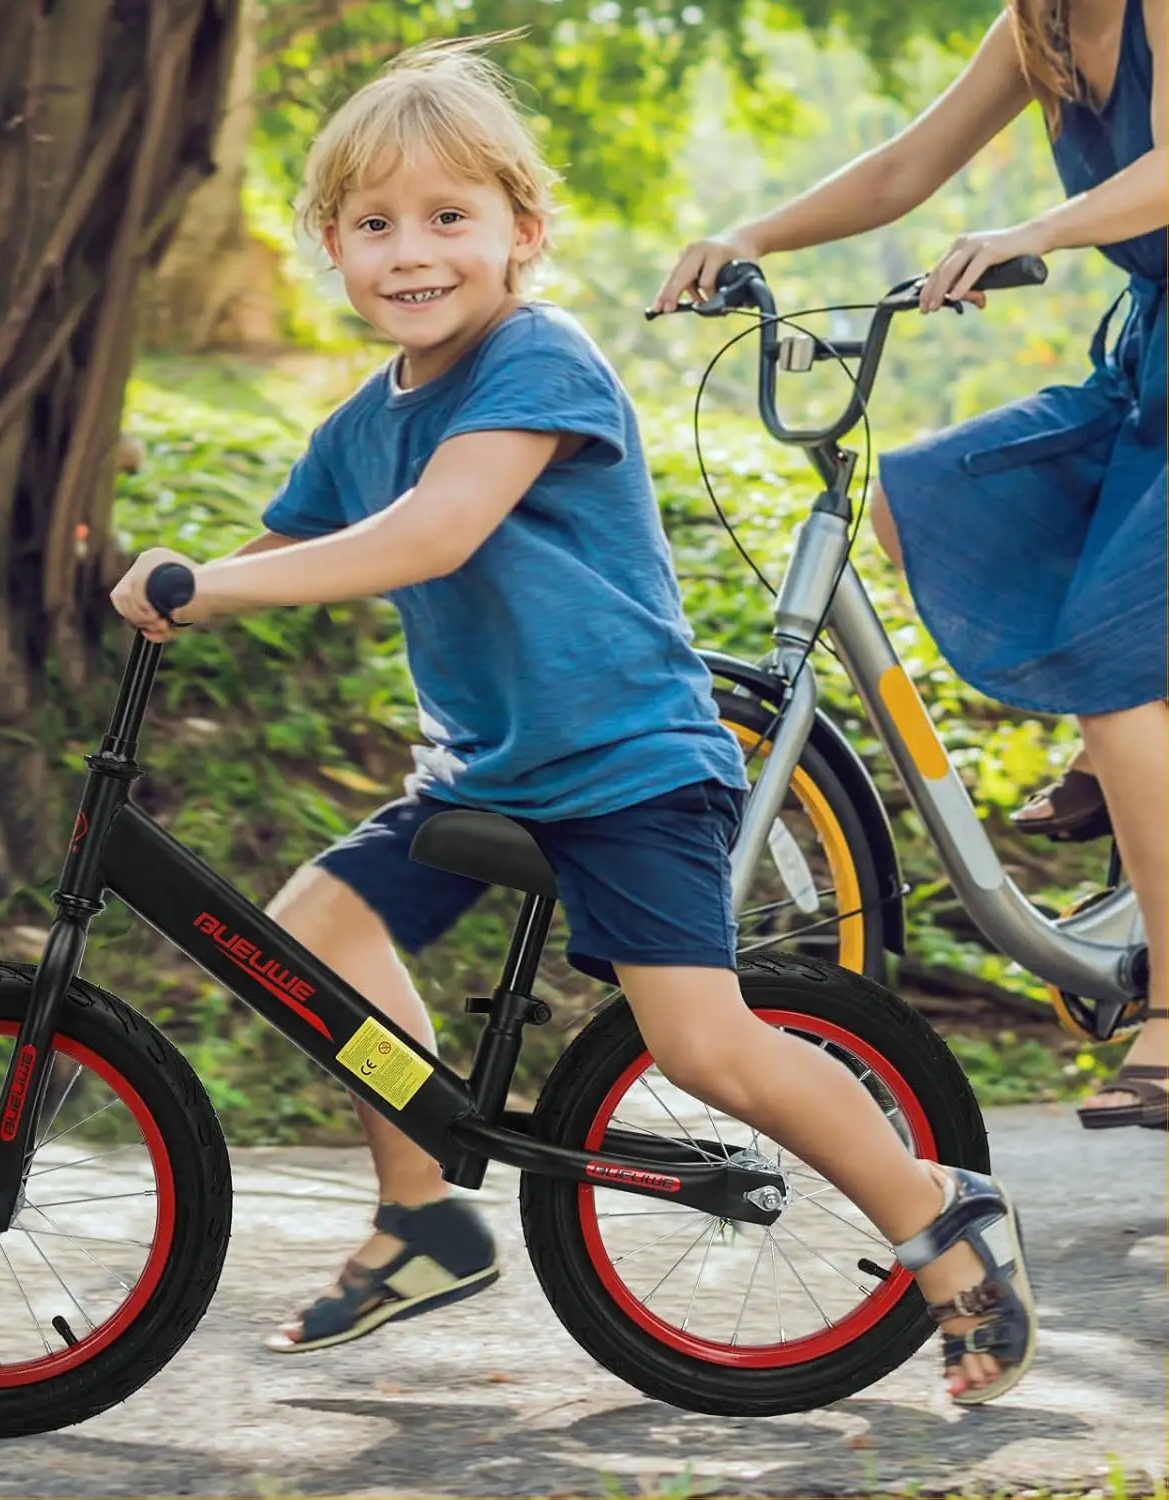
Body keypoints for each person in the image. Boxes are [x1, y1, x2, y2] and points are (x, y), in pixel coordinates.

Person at [112, 37, 1038, 1404]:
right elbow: (276, 549)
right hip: (486, 770)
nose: (410, 252)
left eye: (448, 218)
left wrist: (218, 586)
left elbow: (434, 534)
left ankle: (939, 1222)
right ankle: (425, 1217)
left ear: (523, 234)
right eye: (374, 225)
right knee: (316, 924)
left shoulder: (538, 360)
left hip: (630, 770)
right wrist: (166, 584)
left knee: (703, 1048)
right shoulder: (366, 418)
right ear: (329, 245)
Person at [656, 0, 1165, 1130]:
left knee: (1113, 656)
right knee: (923, 496)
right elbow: (903, 169)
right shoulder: (1033, 26)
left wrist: (1032, 232)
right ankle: (1123, 776)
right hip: (1151, 363)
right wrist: (753, 238)